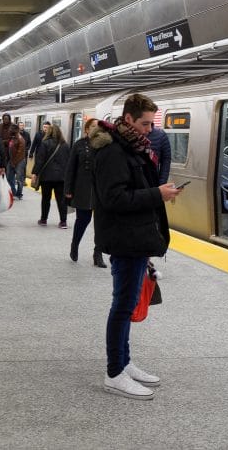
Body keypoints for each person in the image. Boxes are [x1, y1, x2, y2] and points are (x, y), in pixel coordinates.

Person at [91, 93, 180, 400]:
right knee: (122, 307)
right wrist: (158, 194)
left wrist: (158, 193)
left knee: (126, 305)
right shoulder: (113, 152)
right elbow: (113, 199)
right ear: (127, 119)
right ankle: (114, 373)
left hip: (136, 236)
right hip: (125, 238)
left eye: (151, 124)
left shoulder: (132, 146)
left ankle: (124, 363)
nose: (149, 130)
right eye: (144, 123)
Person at [64, 118, 106, 268]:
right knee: (83, 220)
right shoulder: (79, 145)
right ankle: (75, 245)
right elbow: (70, 168)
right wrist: (68, 189)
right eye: (93, 126)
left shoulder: (105, 145)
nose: (96, 129)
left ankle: (98, 254)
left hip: (100, 189)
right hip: (82, 188)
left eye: (98, 126)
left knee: (100, 223)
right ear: (87, 129)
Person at [32, 123, 70, 228]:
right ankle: (63, 222)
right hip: (61, 178)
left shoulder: (45, 143)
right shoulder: (65, 145)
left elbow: (40, 160)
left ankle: (43, 220)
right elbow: (69, 162)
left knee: (46, 199)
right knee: (61, 200)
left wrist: (35, 173)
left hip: (46, 177)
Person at [4, 126, 27, 201]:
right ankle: (13, 192)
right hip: (11, 161)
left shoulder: (21, 140)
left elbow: (20, 154)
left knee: (19, 179)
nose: (9, 130)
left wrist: (14, 163)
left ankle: (19, 194)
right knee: (9, 177)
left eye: (10, 130)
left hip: (19, 161)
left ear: (15, 131)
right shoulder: (13, 138)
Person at [148, 121, 172, 186]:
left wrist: (162, 183)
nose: (149, 130)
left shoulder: (161, 135)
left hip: (153, 183)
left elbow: (166, 160)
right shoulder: (127, 136)